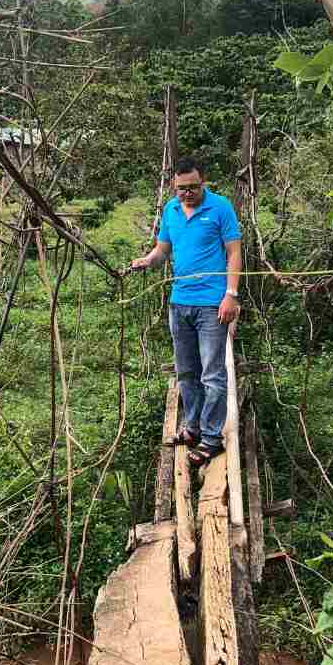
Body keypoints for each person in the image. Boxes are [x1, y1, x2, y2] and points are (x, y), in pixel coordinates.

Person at [130, 157, 242, 468]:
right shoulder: (171, 210)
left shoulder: (220, 208)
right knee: (187, 372)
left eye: (193, 187)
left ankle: (211, 438)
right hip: (180, 303)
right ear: (173, 186)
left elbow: (234, 252)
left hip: (211, 304)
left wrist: (230, 296)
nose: (187, 193)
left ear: (203, 182)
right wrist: (146, 261)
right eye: (181, 189)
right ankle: (192, 428)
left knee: (213, 373)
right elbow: (163, 250)